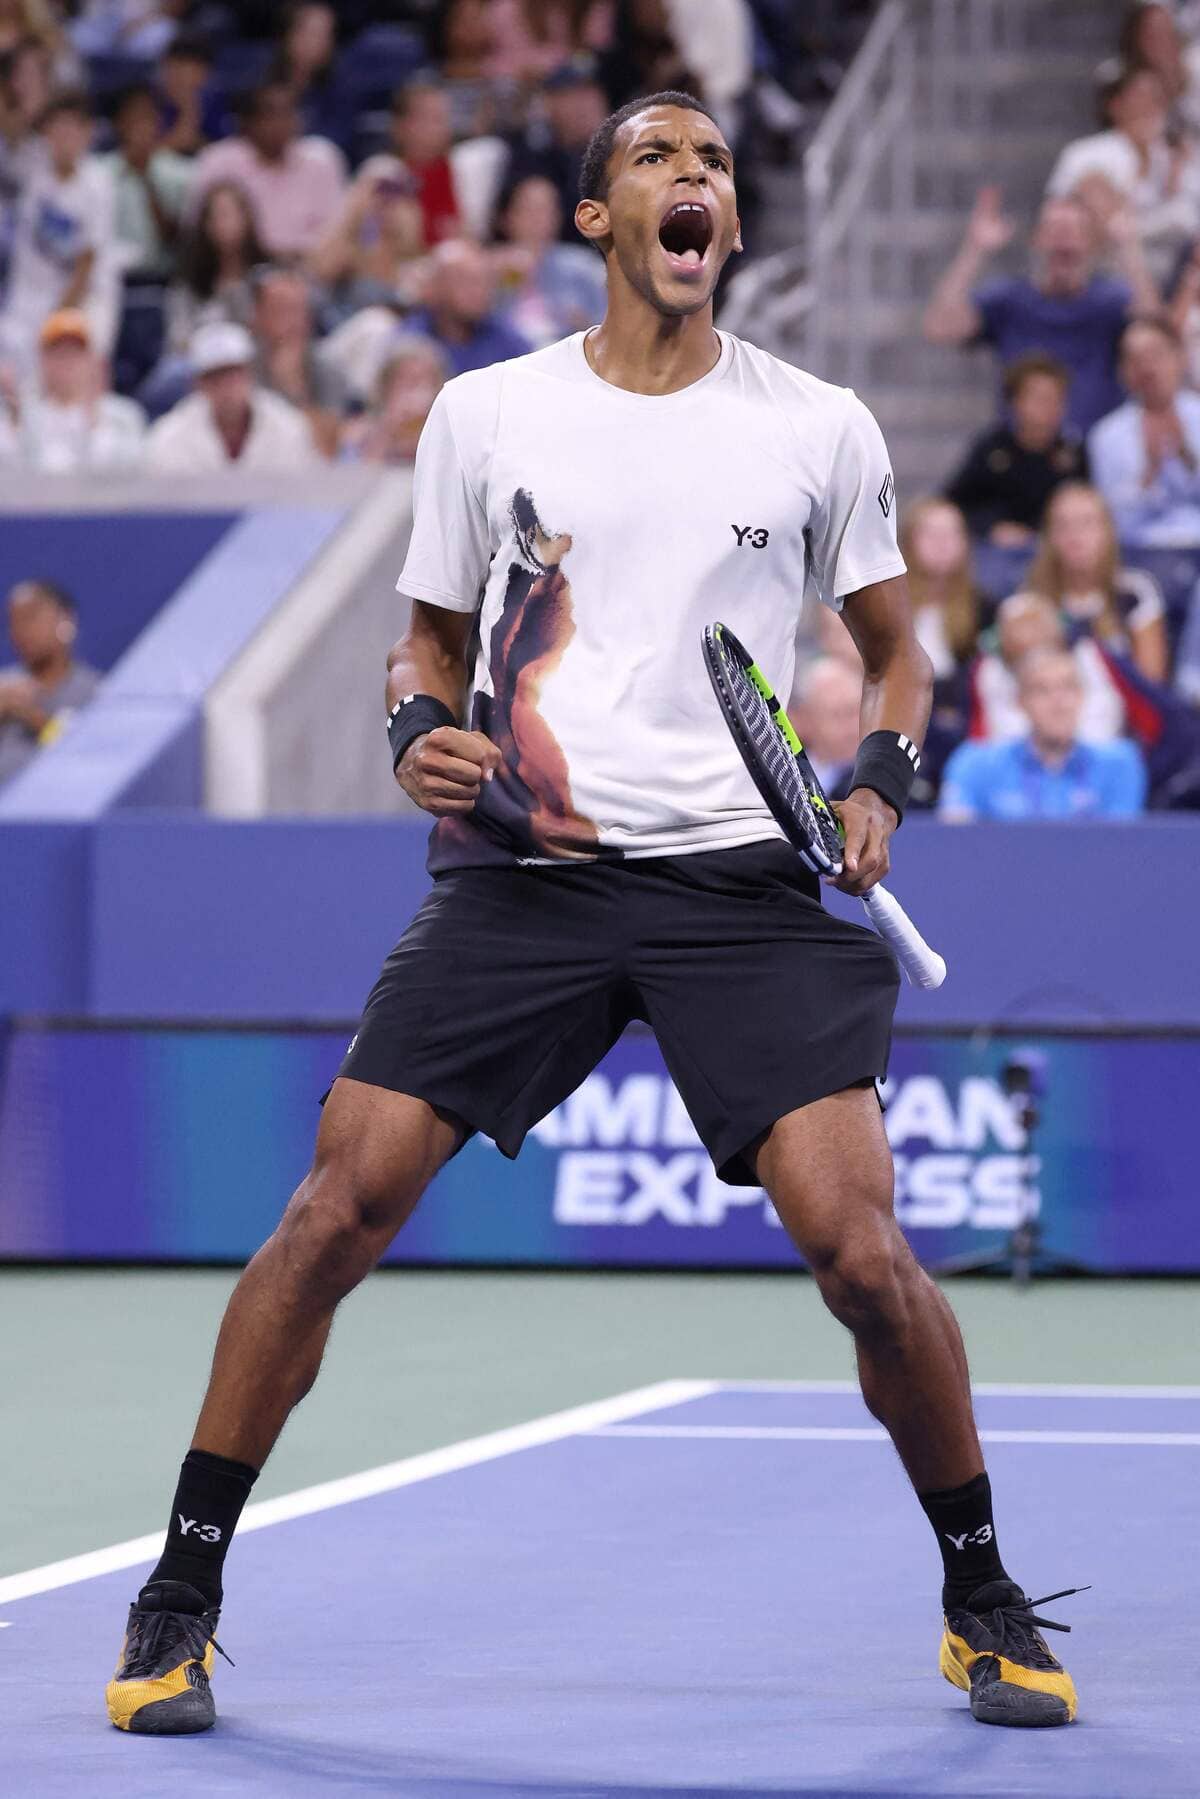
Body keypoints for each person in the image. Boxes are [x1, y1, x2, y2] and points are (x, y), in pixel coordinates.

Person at [103, 87, 1083, 1743]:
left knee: (864, 1255)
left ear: (731, 226)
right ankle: (180, 1589)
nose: (691, 175)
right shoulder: (489, 416)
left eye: (709, 160)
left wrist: (881, 778)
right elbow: (422, 639)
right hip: (528, 874)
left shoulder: (818, 424)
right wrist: (419, 734)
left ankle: (980, 1590)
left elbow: (900, 648)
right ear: (595, 219)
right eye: (654, 155)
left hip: (744, 889)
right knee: (337, 1207)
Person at [922, 187, 1158, 434]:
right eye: (1055, 229)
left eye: (1075, 230)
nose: (1064, 238)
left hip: (1094, 449)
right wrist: (975, 249)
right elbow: (940, 327)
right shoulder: (1010, 300)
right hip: (1024, 450)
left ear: (1091, 242)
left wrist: (1128, 249)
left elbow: (1157, 331)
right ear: (1037, 239)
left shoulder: (1110, 301)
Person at [939, 644, 1146, 819]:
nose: (1058, 702)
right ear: (1020, 701)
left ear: (1082, 696)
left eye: (1068, 688)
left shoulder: (1119, 763)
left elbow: (1120, 848)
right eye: (1042, 690)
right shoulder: (975, 763)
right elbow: (956, 843)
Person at [1045, 63, 1200, 286]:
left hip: (1177, 278)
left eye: (1156, 99)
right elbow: (1107, 228)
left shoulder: (1175, 156)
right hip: (1108, 279)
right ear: (1115, 105)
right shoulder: (1089, 154)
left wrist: (1174, 177)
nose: (1149, 107)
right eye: (1140, 97)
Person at [0, 88, 118, 369]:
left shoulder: (98, 183)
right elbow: (9, 127)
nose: (64, 136)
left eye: (73, 127)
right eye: (58, 126)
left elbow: (86, 262)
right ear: (46, 132)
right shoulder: (31, 167)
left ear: (88, 132)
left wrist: (56, 319)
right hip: (28, 295)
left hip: (83, 298)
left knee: (69, 361)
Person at [1025, 480, 1169, 682]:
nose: (1074, 535)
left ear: (1107, 531)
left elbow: (1151, 683)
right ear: (1049, 537)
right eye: (1062, 525)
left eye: (1086, 523)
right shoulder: (1032, 599)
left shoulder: (1134, 591)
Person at [189, 81, 345, 261]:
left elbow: (339, 234)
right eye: (270, 115)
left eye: (287, 114)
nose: (280, 124)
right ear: (246, 122)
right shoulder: (218, 160)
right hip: (239, 269)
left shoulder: (322, 159)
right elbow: (197, 233)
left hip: (309, 271)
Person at [944, 352, 1088, 544]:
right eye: (1039, 398)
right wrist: (990, 528)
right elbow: (953, 505)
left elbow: (1088, 506)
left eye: (1056, 398)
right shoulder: (992, 450)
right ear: (1015, 402)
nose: (1049, 407)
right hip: (996, 554)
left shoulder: (1073, 453)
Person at [1088, 313, 1200, 551]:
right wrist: (1149, 475)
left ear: (1179, 357)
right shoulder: (1106, 436)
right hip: (1142, 555)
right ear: (1123, 371)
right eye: (1135, 358)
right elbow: (1111, 522)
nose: (1147, 367)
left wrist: (1189, 461)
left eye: (1155, 354)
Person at [145, 318, 318, 472]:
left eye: (233, 373)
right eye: (215, 377)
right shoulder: (169, 435)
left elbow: (303, 494)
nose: (226, 386)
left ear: (249, 373)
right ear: (198, 384)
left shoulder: (288, 425)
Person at [0, 306, 145, 471]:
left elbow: (131, 474)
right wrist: (14, 424)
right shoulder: (25, 414)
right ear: (42, 361)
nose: (66, 362)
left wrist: (95, 425)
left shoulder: (124, 417)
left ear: (92, 361)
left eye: (75, 352)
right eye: (58, 353)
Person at [0, 577, 100, 786]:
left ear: (65, 619)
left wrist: (31, 715)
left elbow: (92, 760)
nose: (21, 631)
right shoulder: (4, 686)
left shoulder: (93, 691)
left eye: (31, 618)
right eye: (14, 621)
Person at [490, 172, 606, 346]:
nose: (537, 218)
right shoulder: (486, 265)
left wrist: (583, 323)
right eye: (528, 209)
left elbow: (608, 325)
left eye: (546, 209)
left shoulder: (584, 267)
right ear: (507, 216)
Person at [501, 61, 609, 241]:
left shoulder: (623, 148)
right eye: (572, 96)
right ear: (549, 103)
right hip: (555, 252)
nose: (584, 105)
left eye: (590, 94)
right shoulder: (533, 152)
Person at [249, 265, 347, 456]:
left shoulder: (327, 368)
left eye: (298, 310)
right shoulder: (242, 369)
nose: (293, 321)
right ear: (258, 316)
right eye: (281, 310)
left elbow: (326, 451)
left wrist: (293, 387)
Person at [101, 82, 191, 279]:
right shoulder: (99, 172)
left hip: (165, 278)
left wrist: (146, 180)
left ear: (158, 122)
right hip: (111, 279)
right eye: (133, 116)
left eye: (147, 116)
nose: (141, 124)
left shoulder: (180, 172)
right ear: (119, 122)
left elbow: (179, 241)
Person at [407, 236, 532, 374]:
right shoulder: (410, 341)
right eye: (465, 280)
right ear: (435, 286)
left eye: (484, 281)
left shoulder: (506, 340)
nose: (478, 290)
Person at [898, 497, 989, 686]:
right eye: (931, 534)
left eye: (951, 534)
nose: (942, 543)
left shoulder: (984, 607)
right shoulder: (891, 606)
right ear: (908, 542)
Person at [340, 333, 448, 464]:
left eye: (423, 381)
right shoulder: (357, 435)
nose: (414, 393)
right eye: (406, 381)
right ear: (385, 388)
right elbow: (357, 478)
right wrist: (386, 432)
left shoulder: (449, 437)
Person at [386, 77, 462, 250]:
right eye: (430, 118)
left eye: (443, 118)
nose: (441, 127)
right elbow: (369, 239)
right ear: (401, 125)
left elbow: (459, 236)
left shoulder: (454, 170)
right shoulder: (386, 173)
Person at [788, 655, 862, 796]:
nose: (855, 727)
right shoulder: (786, 780)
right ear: (805, 719)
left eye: (860, 713)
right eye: (839, 715)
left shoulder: (895, 780)